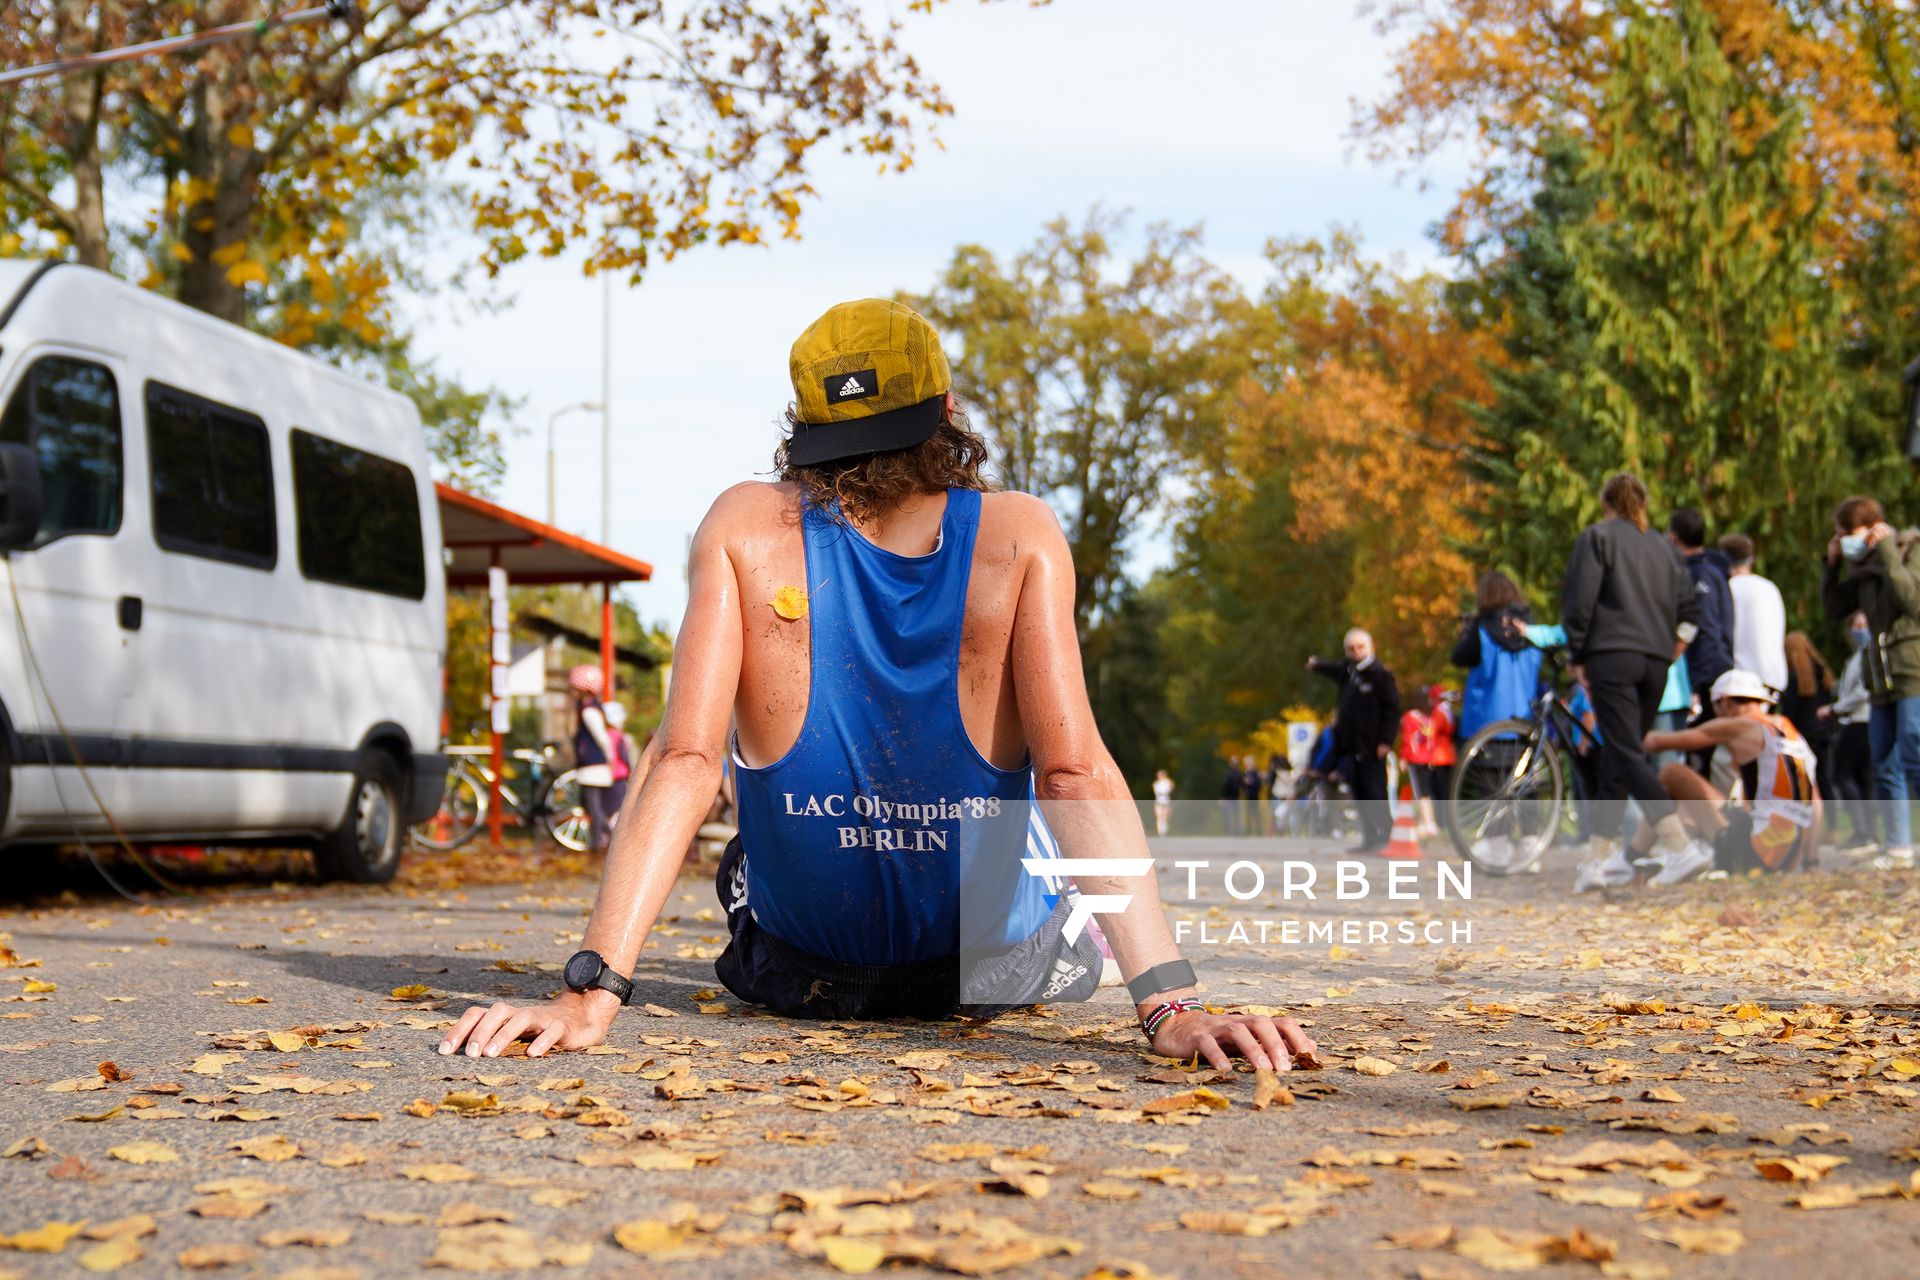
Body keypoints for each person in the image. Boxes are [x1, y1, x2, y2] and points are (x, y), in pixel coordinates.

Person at [439, 298, 1314, 1072]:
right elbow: (1073, 774)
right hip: (995, 976)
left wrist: (590, 994)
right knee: (1031, 823)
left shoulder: (743, 525)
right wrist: (1170, 1006)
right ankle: (1084, 943)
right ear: (947, 411)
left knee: (750, 836)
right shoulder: (1020, 535)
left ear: (804, 424)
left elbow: (685, 758)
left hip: (800, 978)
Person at [1565, 474, 1701, 892]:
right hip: (1657, 662)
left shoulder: (1598, 538)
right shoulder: (1665, 547)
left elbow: (1580, 599)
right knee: (1617, 759)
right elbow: (1690, 610)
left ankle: (1680, 846)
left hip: (1612, 656)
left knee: (1624, 753)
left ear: (1606, 502)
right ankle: (1597, 860)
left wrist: (1577, 654)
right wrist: (1674, 647)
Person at [1633, 669, 1821, 883]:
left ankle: (1630, 857)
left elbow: (1656, 742)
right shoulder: (1791, 733)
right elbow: (1815, 803)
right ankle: (1685, 851)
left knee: (1673, 773)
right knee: (1700, 800)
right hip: (1787, 860)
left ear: (1724, 702)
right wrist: (1810, 862)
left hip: (1753, 856)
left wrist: (1621, 737)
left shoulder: (1739, 724)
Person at [1821, 494, 1920, 870]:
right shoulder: (1860, 573)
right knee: (1884, 762)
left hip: (1912, 670)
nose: (1843, 541)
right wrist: (1830, 567)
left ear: (1875, 530)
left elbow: (1911, 599)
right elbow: (1834, 609)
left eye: (1848, 534)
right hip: (1880, 678)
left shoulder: (1910, 551)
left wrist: (1890, 553)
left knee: (1914, 751)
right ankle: (1897, 847)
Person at [1307, 630, 1400, 854]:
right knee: (1358, 795)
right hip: (1349, 748)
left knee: (1375, 793)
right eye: (1351, 648)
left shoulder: (1380, 676)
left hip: (1371, 747)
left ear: (1370, 648)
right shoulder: (1349, 672)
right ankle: (1369, 837)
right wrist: (1316, 665)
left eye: (1360, 647)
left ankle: (1385, 836)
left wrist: (1386, 741)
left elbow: (1393, 710)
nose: (1356, 652)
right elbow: (1333, 669)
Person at [1451, 570, 1542, 741]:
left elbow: (1459, 657)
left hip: (1483, 727)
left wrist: (1467, 631)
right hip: (1523, 722)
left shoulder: (1482, 630)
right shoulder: (1530, 630)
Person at [1666, 509, 1734, 705]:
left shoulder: (1699, 574)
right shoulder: (1714, 570)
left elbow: (1705, 626)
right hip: (1715, 668)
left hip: (1707, 675)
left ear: (1673, 538)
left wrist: (1699, 683)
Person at [1827, 612, 1877, 851]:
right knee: (1864, 777)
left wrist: (1835, 709)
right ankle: (1867, 833)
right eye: (1856, 625)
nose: (1860, 630)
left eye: (1864, 625)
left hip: (1861, 720)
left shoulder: (1869, 655)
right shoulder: (1855, 657)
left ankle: (1863, 831)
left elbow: (1862, 691)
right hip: (1858, 720)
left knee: (1842, 774)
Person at [1776, 632, 1835, 818]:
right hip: (1823, 732)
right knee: (1824, 779)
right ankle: (1831, 824)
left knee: (1804, 781)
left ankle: (1804, 821)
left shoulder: (1793, 679)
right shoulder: (1822, 674)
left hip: (1803, 735)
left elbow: (1789, 713)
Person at [1721, 533, 1787, 694]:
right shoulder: (1769, 587)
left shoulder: (1728, 589)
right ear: (1751, 559)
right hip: (1774, 677)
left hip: (1741, 681)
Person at [567, 664, 619, 851]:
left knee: (594, 808)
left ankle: (602, 842)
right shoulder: (592, 709)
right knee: (595, 807)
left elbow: (601, 737)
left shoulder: (588, 711)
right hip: (595, 765)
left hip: (593, 765)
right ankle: (603, 840)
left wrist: (610, 758)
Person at [1399, 696, 1436, 838]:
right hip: (1427, 758)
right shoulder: (1427, 719)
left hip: (1415, 758)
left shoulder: (1409, 717)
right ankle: (1429, 822)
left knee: (1419, 792)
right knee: (1426, 792)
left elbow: (1407, 738)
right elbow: (1431, 739)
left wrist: (1404, 756)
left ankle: (1427, 824)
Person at [1425, 686, 1457, 833]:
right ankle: (1447, 822)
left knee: (1438, 793)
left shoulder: (1438, 712)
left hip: (1438, 756)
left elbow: (1431, 732)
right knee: (1446, 792)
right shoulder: (1448, 711)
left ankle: (1442, 822)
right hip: (1448, 755)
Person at [1151, 769, 1174, 838]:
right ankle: (1160, 832)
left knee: (1166, 816)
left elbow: (1170, 789)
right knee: (1159, 816)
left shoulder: (1168, 783)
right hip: (1159, 801)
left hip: (1166, 801)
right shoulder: (1156, 784)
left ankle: (1164, 831)